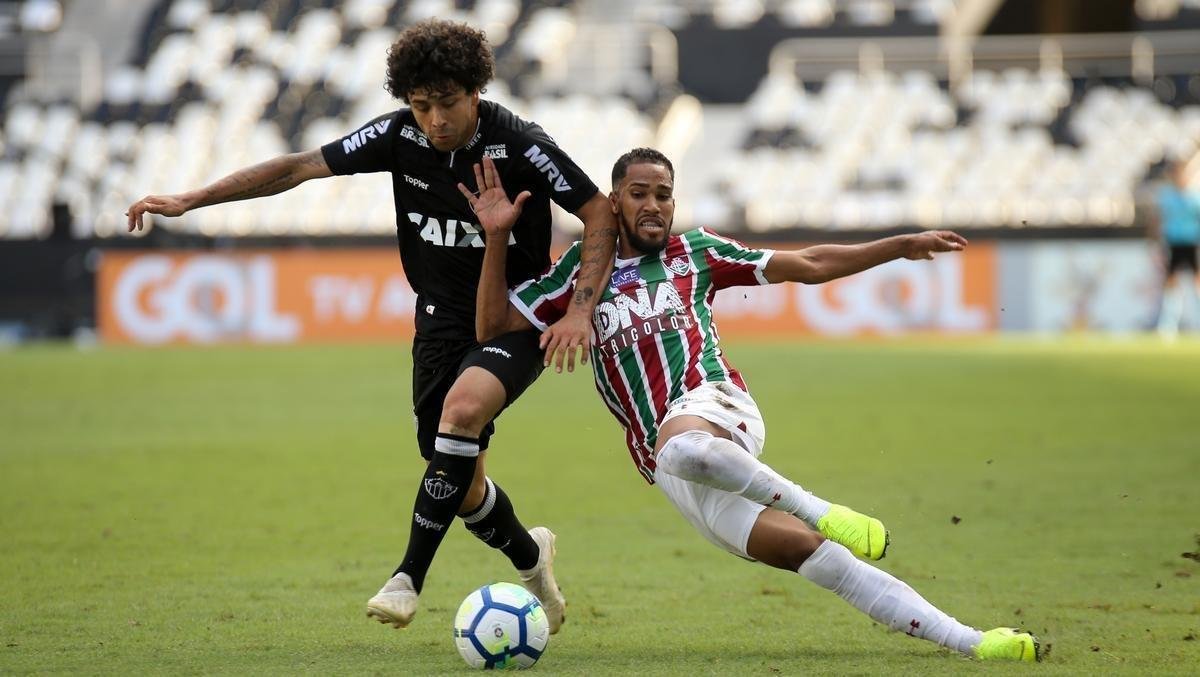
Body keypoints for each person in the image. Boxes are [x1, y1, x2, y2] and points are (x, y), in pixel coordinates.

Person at [125, 20, 620, 632]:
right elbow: (301, 166)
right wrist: (190, 200)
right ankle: (530, 554)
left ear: (475, 92)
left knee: (461, 417)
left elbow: (597, 207)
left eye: (447, 103)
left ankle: (407, 577)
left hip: (516, 316)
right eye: (421, 105)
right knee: (460, 480)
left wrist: (578, 309)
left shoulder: (518, 143)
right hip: (439, 324)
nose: (434, 119)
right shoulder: (398, 137)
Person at [465, 148, 1042, 662]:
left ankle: (820, 509)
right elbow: (493, 328)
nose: (653, 205)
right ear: (613, 202)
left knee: (686, 447)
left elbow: (808, 265)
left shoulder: (697, 252)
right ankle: (973, 642)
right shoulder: (578, 276)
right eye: (638, 193)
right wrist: (495, 237)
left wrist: (899, 245)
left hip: (715, 405)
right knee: (814, 557)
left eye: (663, 194)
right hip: (672, 470)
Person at [1151, 159, 1200, 337]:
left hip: (1191, 243)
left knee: (1196, 283)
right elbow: (1157, 220)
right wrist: (1156, 242)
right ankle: (1168, 326)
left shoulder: (1195, 197)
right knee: (1171, 284)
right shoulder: (1167, 197)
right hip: (1173, 243)